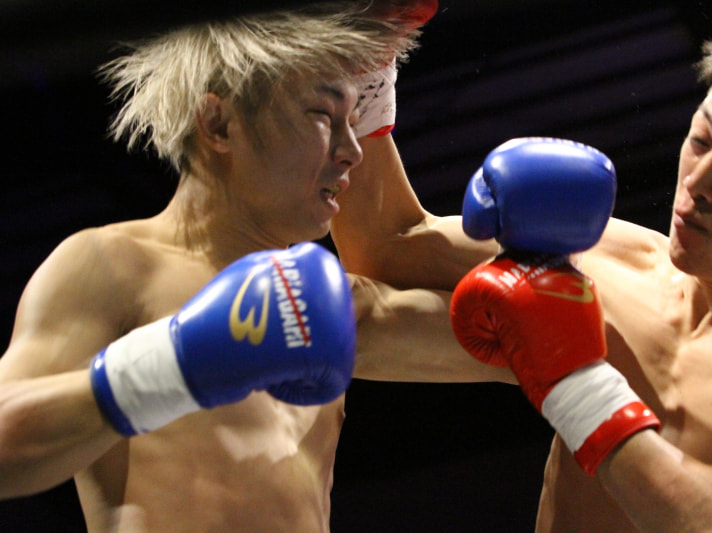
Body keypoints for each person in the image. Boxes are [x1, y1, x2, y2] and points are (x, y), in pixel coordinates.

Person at [0, 2, 511, 532]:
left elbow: (529, 341)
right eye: (323, 116)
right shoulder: (115, 266)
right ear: (219, 123)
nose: (353, 152)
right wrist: (174, 365)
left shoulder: (326, 306)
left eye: (354, 122)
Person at [450, 29, 712, 532]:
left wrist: (577, 386)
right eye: (699, 141)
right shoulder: (600, 258)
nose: (697, 182)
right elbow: (388, 252)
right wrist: (368, 73)